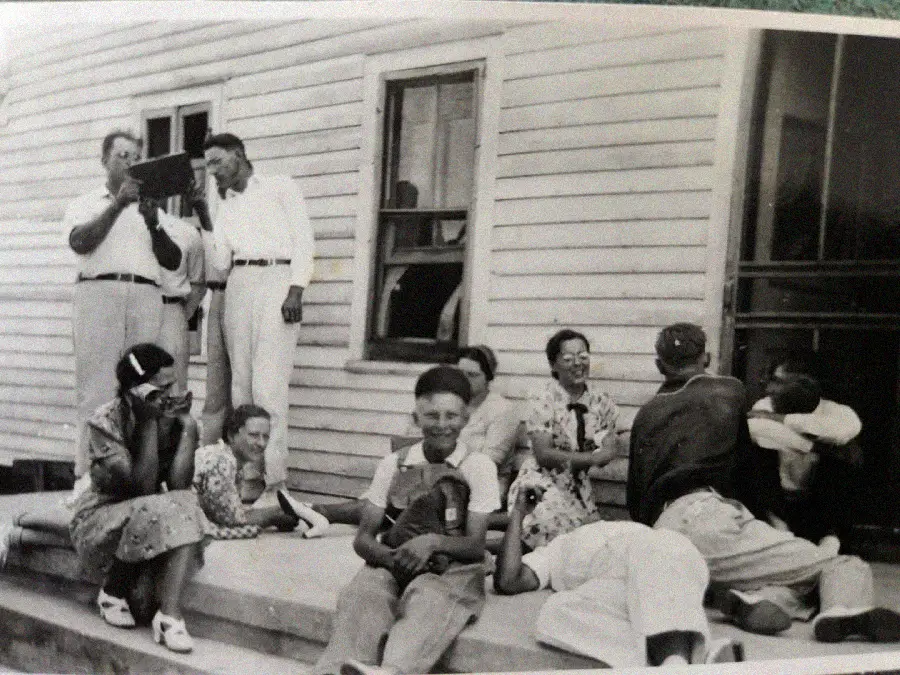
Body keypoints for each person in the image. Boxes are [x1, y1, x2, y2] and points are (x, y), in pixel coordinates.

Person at [627, 322, 900, 642]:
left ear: (659, 365)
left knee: (788, 570)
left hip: (663, 537)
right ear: (708, 358)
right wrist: (766, 518)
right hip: (709, 516)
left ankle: (764, 601)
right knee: (839, 564)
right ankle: (841, 609)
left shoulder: (645, 413)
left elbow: (636, 498)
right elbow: (744, 466)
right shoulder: (727, 391)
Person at [310, 366, 500, 675]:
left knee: (429, 597)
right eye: (431, 416)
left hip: (451, 568)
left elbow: (475, 546)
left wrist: (434, 542)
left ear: (466, 418)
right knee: (364, 593)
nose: (442, 425)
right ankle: (334, 670)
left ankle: (394, 670)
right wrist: (392, 558)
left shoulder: (478, 466)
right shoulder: (394, 464)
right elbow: (364, 539)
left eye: (451, 416)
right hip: (394, 561)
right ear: (416, 418)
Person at [494, 486, 742, 667]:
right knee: (553, 613)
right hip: (613, 587)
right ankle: (690, 662)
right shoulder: (551, 553)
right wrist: (518, 514)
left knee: (658, 547)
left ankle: (676, 662)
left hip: (656, 555)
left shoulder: (633, 529)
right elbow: (508, 580)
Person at [200, 132, 315, 507]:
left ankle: (275, 481)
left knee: (269, 388)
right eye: (209, 165)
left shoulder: (281, 186)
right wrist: (206, 214)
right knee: (242, 391)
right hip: (239, 283)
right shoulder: (226, 204)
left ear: (238, 155)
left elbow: (303, 240)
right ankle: (249, 475)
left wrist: (296, 288)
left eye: (217, 162)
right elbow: (219, 261)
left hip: (278, 279)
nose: (213, 171)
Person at [64, 130, 183, 488]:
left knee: (141, 387)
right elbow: (80, 242)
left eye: (135, 157)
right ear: (104, 161)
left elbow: (173, 260)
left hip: (146, 295)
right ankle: (87, 477)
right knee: (97, 386)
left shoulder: (151, 208)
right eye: (122, 156)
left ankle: (134, 477)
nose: (130, 163)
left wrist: (153, 223)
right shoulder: (86, 202)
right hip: (100, 292)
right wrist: (117, 203)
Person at [69, 343, 206, 653]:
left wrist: (187, 430)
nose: (173, 392)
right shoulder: (104, 421)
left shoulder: (170, 415)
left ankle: (169, 616)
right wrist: (148, 422)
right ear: (135, 389)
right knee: (159, 506)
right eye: (163, 386)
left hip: (146, 512)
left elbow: (178, 485)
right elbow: (141, 486)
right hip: (101, 517)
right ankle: (113, 592)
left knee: (186, 504)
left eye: (175, 383)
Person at [506, 329, 619, 550]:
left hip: (579, 487)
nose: (578, 363)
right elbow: (544, 454)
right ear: (553, 365)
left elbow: (607, 442)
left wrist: (608, 449)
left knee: (589, 542)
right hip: (541, 482)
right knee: (553, 540)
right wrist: (593, 458)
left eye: (583, 356)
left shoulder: (600, 400)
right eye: (568, 359)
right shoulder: (542, 398)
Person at [748, 354, 863, 542]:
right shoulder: (766, 405)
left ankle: (830, 536)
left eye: (778, 381)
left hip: (815, 498)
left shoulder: (838, 411)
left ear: (808, 382)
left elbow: (843, 432)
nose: (770, 389)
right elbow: (759, 429)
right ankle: (778, 527)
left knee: (849, 454)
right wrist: (816, 445)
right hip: (780, 499)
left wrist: (783, 420)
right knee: (753, 454)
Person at [193, 404, 321, 538]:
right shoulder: (222, 461)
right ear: (231, 435)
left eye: (266, 436)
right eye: (254, 435)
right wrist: (274, 515)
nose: (261, 443)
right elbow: (233, 520)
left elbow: (228, 511)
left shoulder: (228, 458)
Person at [157, 216, 206, 393]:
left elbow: (198, 283)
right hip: (133, 310)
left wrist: (179, 315)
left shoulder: (185, 231)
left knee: (173, 384)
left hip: (170, 309)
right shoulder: (126, 228)